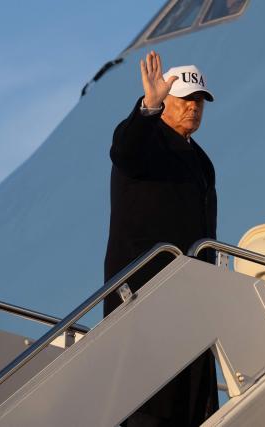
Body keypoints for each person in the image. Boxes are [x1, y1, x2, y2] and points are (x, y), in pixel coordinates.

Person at [104, 51, 218, 426]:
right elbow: (124, 151)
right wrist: (147, 108)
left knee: (191, 401)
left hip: (191, 298)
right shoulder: (145, 140)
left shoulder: (200, 161)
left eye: (199, 100)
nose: (194, 108)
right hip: (143, 294)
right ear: (165, 100)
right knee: (148, 405)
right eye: (186, 99)